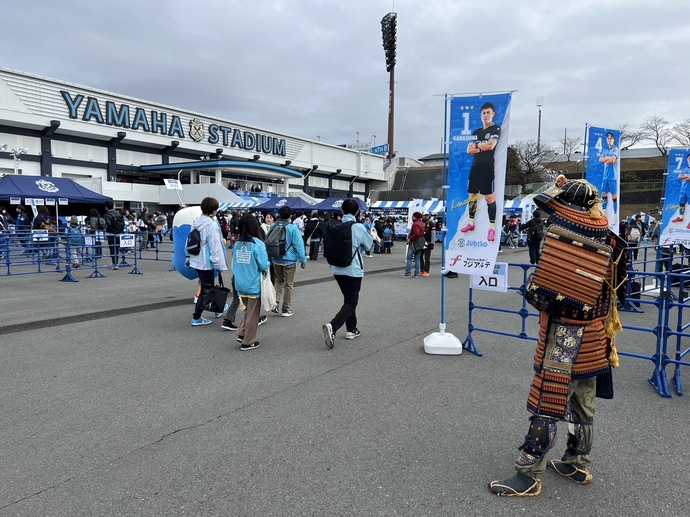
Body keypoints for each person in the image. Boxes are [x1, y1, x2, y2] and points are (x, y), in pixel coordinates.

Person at [489, 177, 627, 497]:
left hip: (564, 337)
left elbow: (541, 297)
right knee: (583, 404)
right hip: (596, 336)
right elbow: (618, 287)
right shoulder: (614, 242)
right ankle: (577, 463)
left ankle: (528, 475)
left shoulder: (562, 239)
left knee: (547, 403)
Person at [322, 198, 374, 349]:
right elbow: (369, 244)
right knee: (351, 302)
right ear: (357, 212)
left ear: (342, 211)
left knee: (349, 300)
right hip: (353, 269)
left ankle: (351, 329)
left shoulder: (334, 225)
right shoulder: (357, 227)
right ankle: (333, 326)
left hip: (336, 268)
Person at [460, 102, 501, 242]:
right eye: (483, 113)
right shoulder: (477, 132)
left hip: (487, 167)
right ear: (481, 115)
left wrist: (479, 145)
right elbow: (469, 150)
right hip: (475, 167)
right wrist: (481, 145)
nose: (486, 115)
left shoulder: (496, 128)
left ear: (493, 114)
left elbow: (491, 145)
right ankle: (471, 223)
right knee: (472, 195)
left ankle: (492, 228)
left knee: (489, 197)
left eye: (488, 112)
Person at [188, 197, 228, 326]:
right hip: (207, 262)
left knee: (208, 286)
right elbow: (215, 245)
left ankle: (217, 309)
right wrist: (218, 263)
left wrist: (187, 257)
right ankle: (196, 316)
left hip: (196, 259)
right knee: (207, 289)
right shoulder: (211, 224)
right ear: (214, 210)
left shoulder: (195, 221)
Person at [231, 214, 270, 350]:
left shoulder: (236, 243)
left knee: (248, 311)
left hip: (240, 283)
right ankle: (248, 341)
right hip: (253, 283)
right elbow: (264, 265)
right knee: (253, 314)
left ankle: (242, 333)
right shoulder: (257, 243)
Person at [271, 205, 308, 317]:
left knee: (278, 281)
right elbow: (299, 245)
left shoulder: (273, 225)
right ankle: (286, 309)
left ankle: (275, 303)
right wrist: (303, 260)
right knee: (288, 284)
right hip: (289, 260)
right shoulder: (292, 228)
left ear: (279, 215)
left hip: (275, 257)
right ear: (290, 216)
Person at [599, 132, 619, 219]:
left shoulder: (615, 149)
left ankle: (615, 214)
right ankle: (604, 212)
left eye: (611, 138)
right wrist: (608, 159)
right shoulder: (605, 149)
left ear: (613, 139)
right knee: (604, 194)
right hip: (605, 176)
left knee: (614, 196)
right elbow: (601, 160)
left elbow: (612, 160)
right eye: (608, 138)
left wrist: (607, 160)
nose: (609, 140)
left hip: (613, 176)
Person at [403, 211, 425, 278]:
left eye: (413, 216)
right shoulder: (422, 223)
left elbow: (416, 233)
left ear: (415, 217)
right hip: (421, 242)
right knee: (417, 258)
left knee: (409, 258)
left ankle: (408, 273)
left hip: (414, 242)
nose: (412, 217)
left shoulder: (415, 224)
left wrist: (410, 239)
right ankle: (417, 273)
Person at [103, 201, 125, 269]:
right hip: (119, 233)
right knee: (116, 249)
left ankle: (114, 264)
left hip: (111, 234)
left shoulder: (107, 215)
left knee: (112, 249)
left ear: (106, 207)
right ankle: (116, 263)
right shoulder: (118, 213)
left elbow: (109, 224)